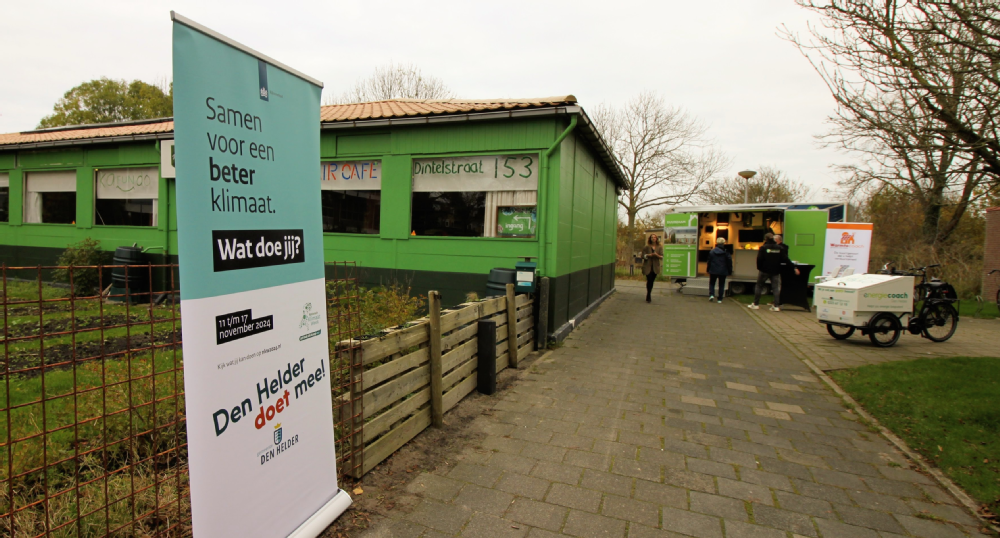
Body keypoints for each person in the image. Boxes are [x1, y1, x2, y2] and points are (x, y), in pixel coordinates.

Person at [748, 233, 799, 311]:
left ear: (766, 239)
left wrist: (760, 268)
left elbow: (759, 259)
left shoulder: (763, 248)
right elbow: (786, 259)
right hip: (775, 271)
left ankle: (756, 304)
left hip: (764, 270)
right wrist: (794, 267)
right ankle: (776, 306)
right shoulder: (779, 248)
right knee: (775, 288)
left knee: (759, 286)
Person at [707, 237, 732, 303]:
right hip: (723, 270)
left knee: (712, 283)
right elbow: (729, 262)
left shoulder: (712, 252)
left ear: (717, 243)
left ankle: (711, 295)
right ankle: (720, 299)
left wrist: (708, 269)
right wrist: (730, 271)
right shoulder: (726, 252)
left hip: (713, 270)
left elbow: (709, 261)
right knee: (721, 284)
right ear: (724, 243)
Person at [641, 234, 663, 303]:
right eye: (652, 237)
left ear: (656, 239)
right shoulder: (646, 247)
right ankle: (648, 295)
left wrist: (656, 255)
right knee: (649, 279)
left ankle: (649, 293)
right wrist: (648, 255)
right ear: (650, 239)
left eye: (654, 237)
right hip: (648, 266)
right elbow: (642, 256)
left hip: (655, 267)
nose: (653, 238)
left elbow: (662, 257)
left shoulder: (659, 247)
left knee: (652, 281)